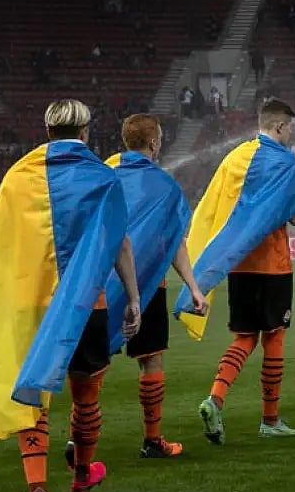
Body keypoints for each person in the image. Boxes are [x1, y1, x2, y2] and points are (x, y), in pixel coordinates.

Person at [0, 99, 141, 492]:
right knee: (86, 395)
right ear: (85, 132)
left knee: (34, 395)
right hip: (89, 303)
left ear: (48, 131)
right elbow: (120, 242)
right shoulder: (102, 178)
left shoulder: (17, 177)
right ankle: (83, 475)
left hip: (35, 305)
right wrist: (135, 298)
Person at [179, 99, 295, 445]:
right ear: (279, 126)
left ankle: (215, 398)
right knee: (274, 337)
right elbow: (293, 214)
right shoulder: (285, 161)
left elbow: (218, 205)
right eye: (290, 128)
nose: (291, 134)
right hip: (273, 264)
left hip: (239, 263)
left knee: (244, 338)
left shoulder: (234, 158)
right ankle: (270, 418)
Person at [86, 114, 209, 460]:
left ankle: (80, 442)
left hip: (104, 282)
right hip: (149, 283)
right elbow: (174, 244)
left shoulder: (106, 178)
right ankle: (152, 439)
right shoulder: (165, 186)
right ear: (154, 143)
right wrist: (194, 287)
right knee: (150, 359)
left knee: (95, 362)